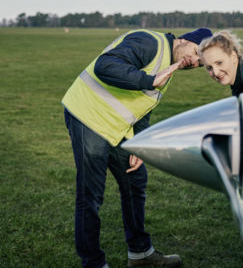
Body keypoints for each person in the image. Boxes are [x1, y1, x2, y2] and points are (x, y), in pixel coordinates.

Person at [62, 28, 213, 268]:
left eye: (199, 63)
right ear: (185, 40)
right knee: (91, 195)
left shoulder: (170, 65)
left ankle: (140, 254)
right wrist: (149, 79)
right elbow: (105, 65)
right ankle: (93, 263)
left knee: (135, 182)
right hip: (88, 117)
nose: (193, 62)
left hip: (117, 128)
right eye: (196, 53)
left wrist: (139, 145)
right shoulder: (149, 42)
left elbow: (142, 107)